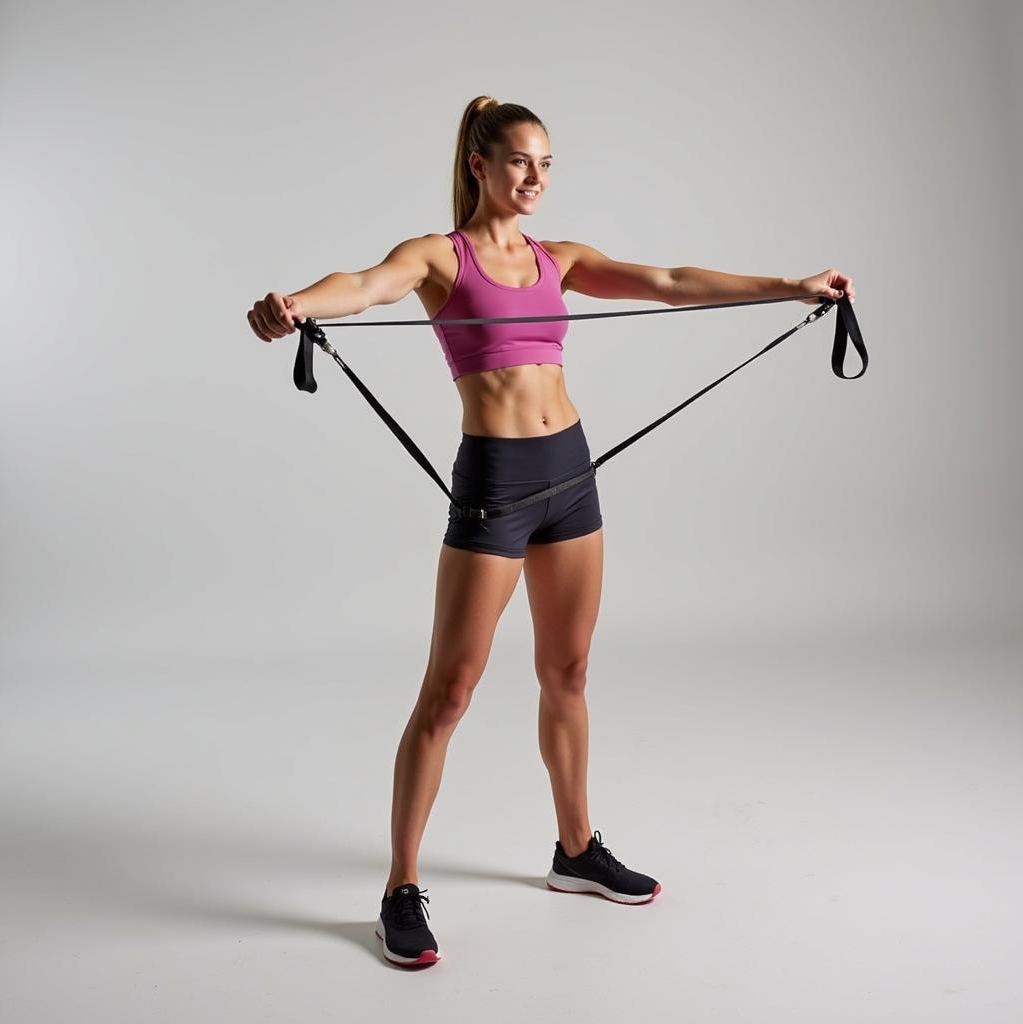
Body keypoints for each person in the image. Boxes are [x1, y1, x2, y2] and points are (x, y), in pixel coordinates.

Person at [246, 96, 856, 968]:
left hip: (571, 474)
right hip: (495, 482)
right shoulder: (436, 257)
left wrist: (791, 285)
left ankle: (575, 850)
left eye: (547, 164)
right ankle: (398, 890)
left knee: (566, 672)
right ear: (479, 165)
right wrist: (297, 304)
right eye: (520, 162)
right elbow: (362, 286)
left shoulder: (555, 259)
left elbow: (672, 282)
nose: (535, 179)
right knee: (449, 693)